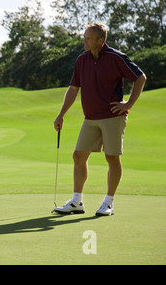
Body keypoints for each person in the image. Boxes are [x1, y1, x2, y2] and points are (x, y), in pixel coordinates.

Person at [53, 23, 146, 216]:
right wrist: (61, 114)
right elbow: (73, 89)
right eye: (85, 37)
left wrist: (128, 104)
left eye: (88, 38)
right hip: (91, 118)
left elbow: (140, 77)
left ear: (100, 41)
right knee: (78, 156)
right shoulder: (82, 60)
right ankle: (76, 201)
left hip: (113, 116)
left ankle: (108, 203)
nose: (84, 41)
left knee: (111, 158)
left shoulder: (116, 58)